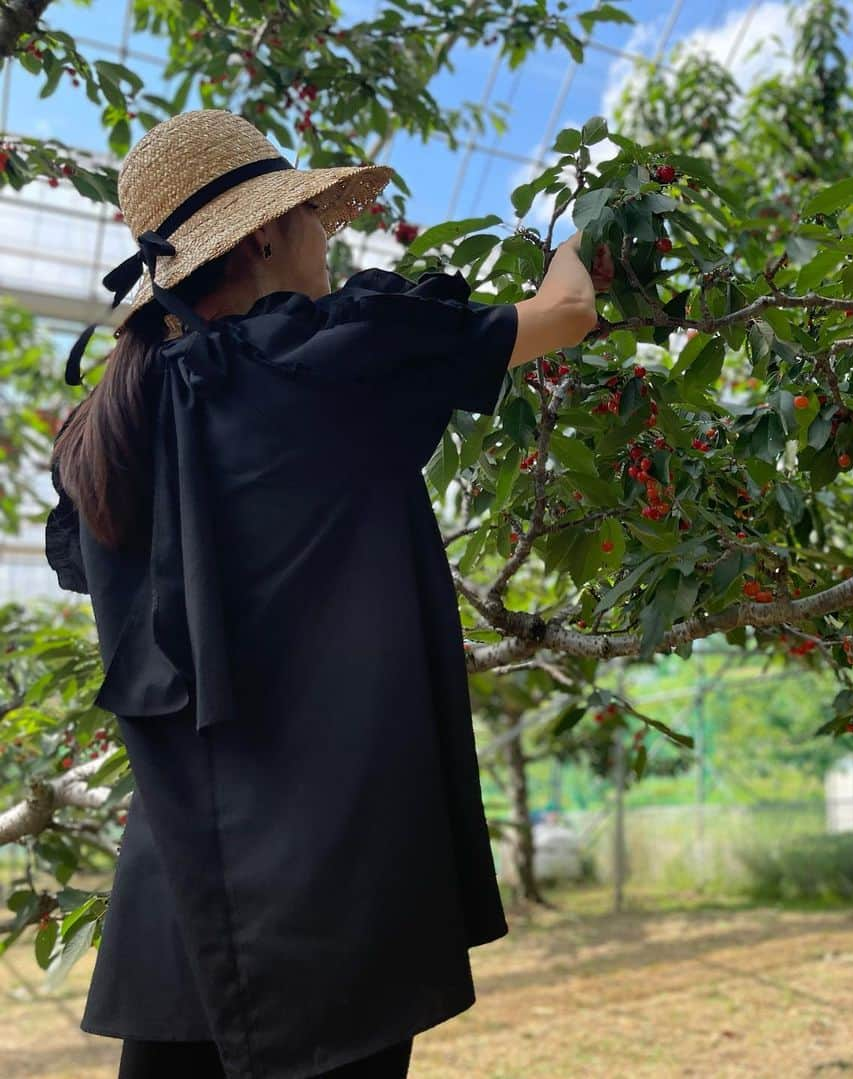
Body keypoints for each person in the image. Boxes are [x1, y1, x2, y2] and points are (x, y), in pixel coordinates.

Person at [44, 109, 614, 1079]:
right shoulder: (329, 354)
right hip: (334, 888)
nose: (329, 232)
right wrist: (598, 219)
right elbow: (566, 311)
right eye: (311, 213)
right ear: (264, 232)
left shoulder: (116, 417)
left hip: (183, 894)